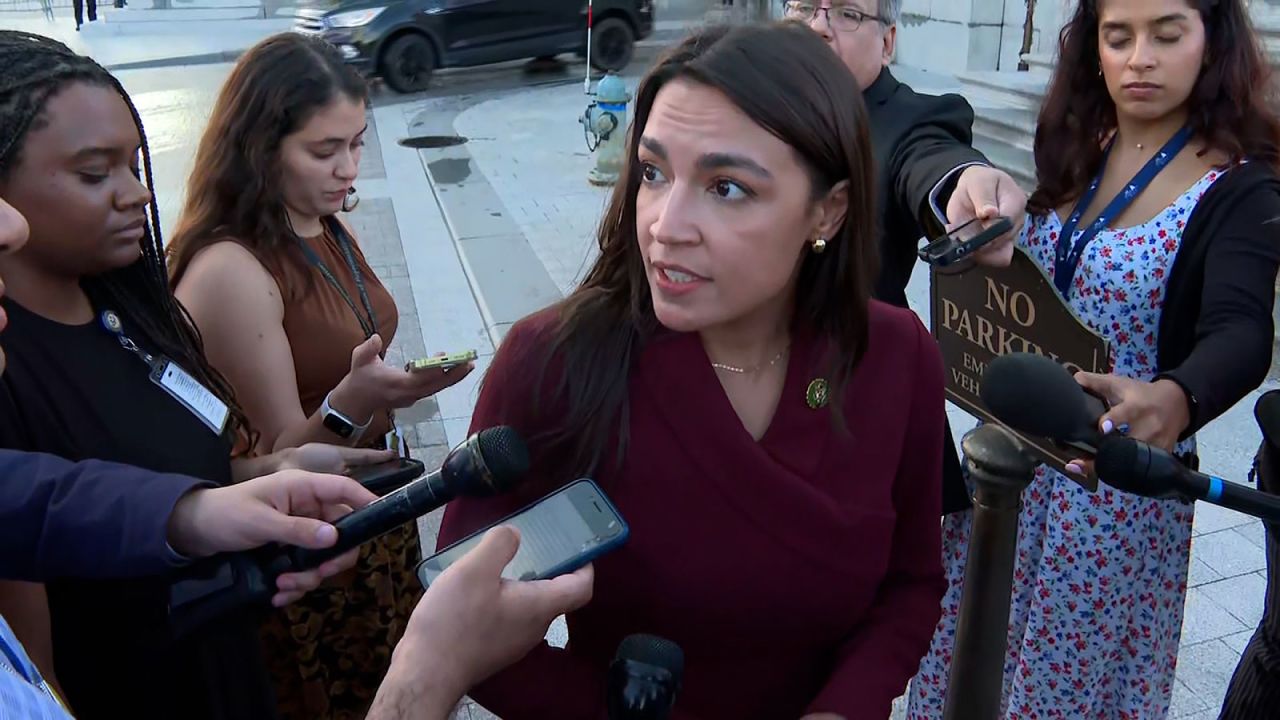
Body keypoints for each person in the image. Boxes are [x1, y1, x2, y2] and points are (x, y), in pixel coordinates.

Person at [438, 22, 946, 720]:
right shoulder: (552, 363)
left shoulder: (896, 358)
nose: (665, 225)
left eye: (727, 187)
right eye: (652, 172)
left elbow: (911, 585)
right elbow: (465, 630)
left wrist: (842, 709)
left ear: (826, 210)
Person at [0, 31, 389, 719]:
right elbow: (38, 652)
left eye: (133, 165)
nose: (138, 194)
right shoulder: (11, 366)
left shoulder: (127, 307)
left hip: (229, 663)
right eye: (97, 174)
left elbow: (175, 476)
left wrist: (271, 474)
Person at [908, 1, 1280, 716]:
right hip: (1014, 463)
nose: (1140, 56)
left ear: (1213, 42)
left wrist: (1175, 398)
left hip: (1106, 490)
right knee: (969, 655)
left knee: (1062, 684)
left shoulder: (1239, 184)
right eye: (1119, 37)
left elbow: (1241, 330)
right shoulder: (1083, 143)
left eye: (1167, 35)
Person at [166, 33, 472, 720]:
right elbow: (278, 455)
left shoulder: (319, 220)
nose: (349, 168)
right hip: (311, 550)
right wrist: (351, 401)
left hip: (371, 512)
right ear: (260, 147)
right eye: (324, 150)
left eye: (358, 142)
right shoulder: (233, 270)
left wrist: (377, 390)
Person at [786, 0, 1025, 514]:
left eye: (847, 14)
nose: (819, 28)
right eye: (805, 7)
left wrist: (965, 185)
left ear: (888, 41)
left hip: (853, 401)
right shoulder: (756, 101)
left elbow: (932, 160)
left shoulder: (911, 119)